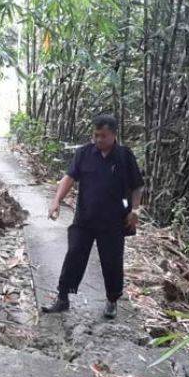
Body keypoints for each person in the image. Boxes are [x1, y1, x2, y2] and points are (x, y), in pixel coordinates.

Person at [43, 114, 144, 319]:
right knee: (74, 254)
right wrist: (56, 201)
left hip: (114, 221)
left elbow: (137, 186)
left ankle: (112, 301)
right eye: (96, 135)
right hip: (85, 218)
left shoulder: (125, 156)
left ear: (114, 135)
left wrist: (135, 210)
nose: (98, 139)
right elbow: (69, 178)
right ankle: (62, 298)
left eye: (103, 136)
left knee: (112, 261)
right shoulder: (84, 153)